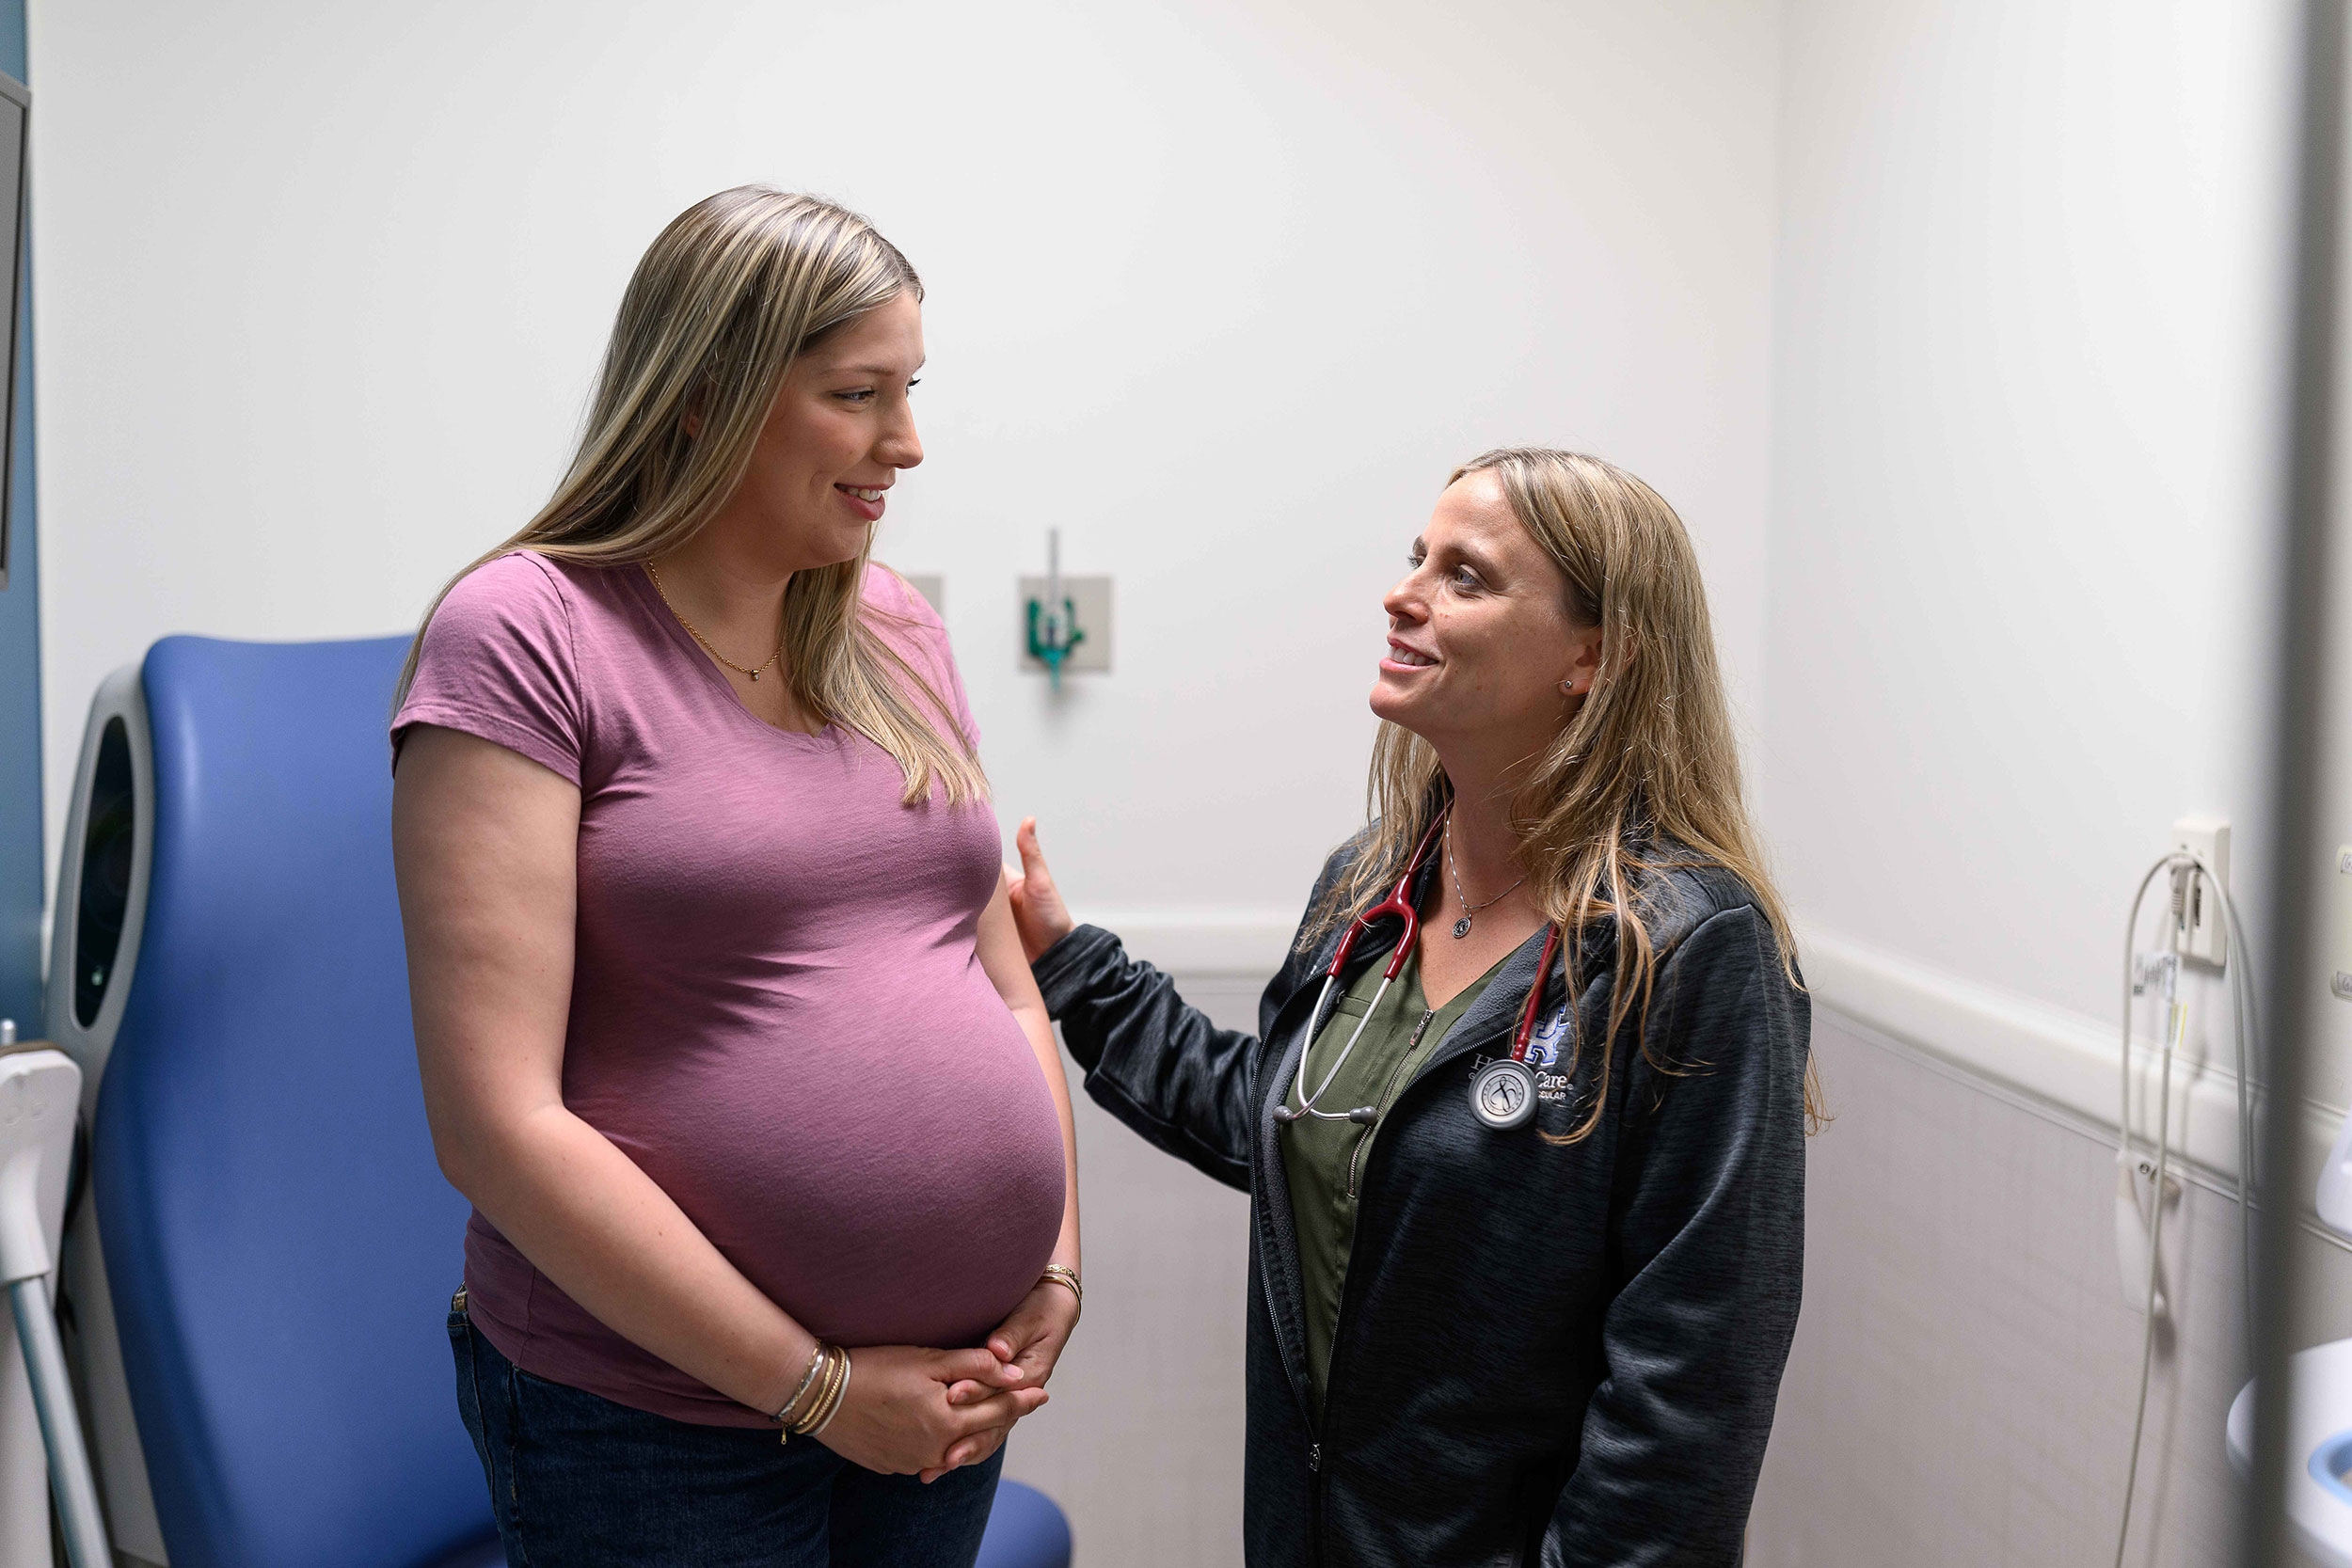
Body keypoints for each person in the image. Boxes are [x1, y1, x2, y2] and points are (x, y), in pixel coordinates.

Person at [389, 186, 1081, 1568]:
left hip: (950, 1383)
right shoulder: (526, 633)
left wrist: (1051, 1265)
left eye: (910, 390)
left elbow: (1001, 983)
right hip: (656, 1419)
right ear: (705, 396)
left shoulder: (893, 625)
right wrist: (814, 1387)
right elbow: (495, 1124)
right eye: (857, 394)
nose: (907, 442)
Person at [1007, 448, 1814, 1567]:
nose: (1403, 592)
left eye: (1464, 575)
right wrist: (1071, 964)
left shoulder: (1688, 946)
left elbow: (1691, 1385)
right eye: (1416, 558)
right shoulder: (1367, 886)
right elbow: (1283, 1117)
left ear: (1594, 654)